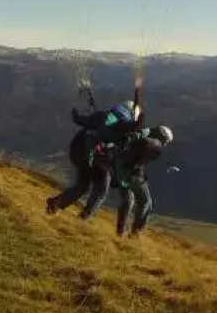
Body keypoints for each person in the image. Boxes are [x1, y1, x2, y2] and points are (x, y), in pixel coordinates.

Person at [44, 87, 143, 218]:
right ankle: (84, 217)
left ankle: (56, 203)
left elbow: (79, 120)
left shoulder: (102, 115)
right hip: (99, 158)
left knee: (83, 185)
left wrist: (75, 113)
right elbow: (129, 134)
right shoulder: (125, 125)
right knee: (101, 189)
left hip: (81, 151)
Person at [111, 125, 173, 237]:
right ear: (162, 137)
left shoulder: (140, 136)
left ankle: (120, 231)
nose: (165, 144)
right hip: (133, 174)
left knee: (128, 200)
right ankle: (136, 232)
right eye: (166, 141)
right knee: (146, 202)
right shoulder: (155, 145)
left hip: (120, 169)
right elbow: (141, 160)